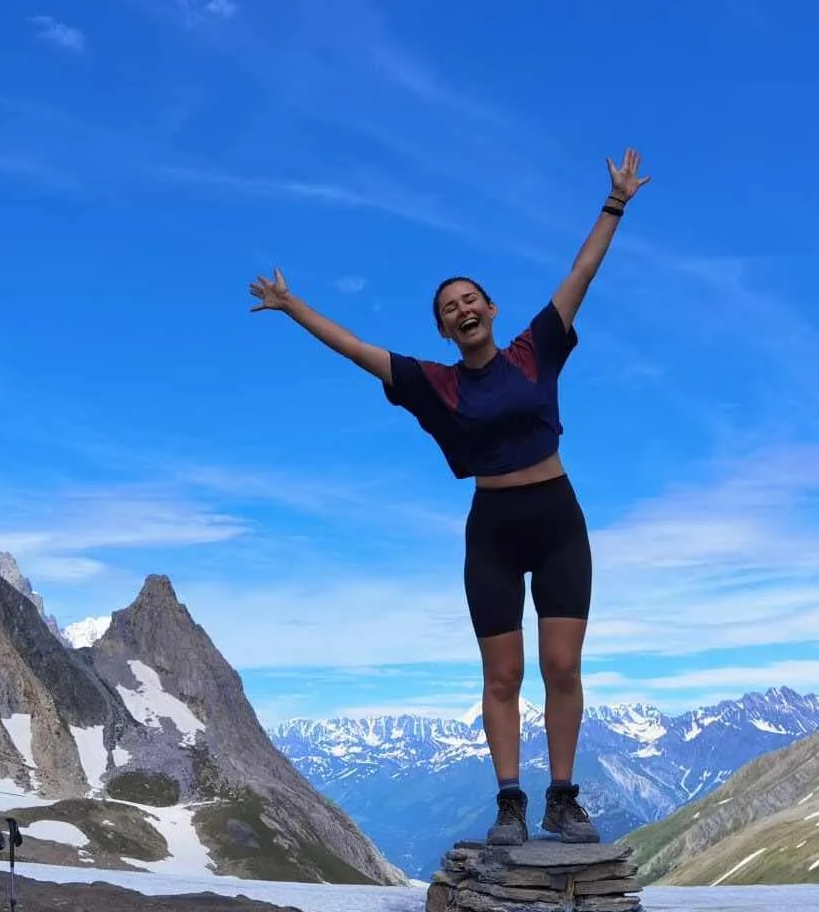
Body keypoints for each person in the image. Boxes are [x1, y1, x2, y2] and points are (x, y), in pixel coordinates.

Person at [249, 149, 649, 847]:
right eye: (448, 309)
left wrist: (615, 203)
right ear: (442, 330)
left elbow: (580, 275)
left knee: (561, 666)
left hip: (558, 518)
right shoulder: (433, 383)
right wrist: (291, 307)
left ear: (491, 310)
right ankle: (509, 803)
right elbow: (354, 348)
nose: (462, 310)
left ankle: (562, 797)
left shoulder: (535, 350)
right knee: (503, 674)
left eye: (470, 300)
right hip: (492, 527)